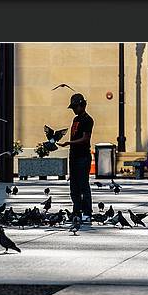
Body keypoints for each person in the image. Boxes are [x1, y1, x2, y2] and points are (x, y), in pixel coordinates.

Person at [57, 93, 94, 222]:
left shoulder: (87, 120)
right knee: (74, 187)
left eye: (75, 107)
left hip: (83, 157)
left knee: (83, 185)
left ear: (82, 105)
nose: (74, 110)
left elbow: (85, 139)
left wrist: (69, 143)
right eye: (72, 108)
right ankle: (76, 211)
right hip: (73, 156)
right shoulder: (76, 120)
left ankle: (87, 212)